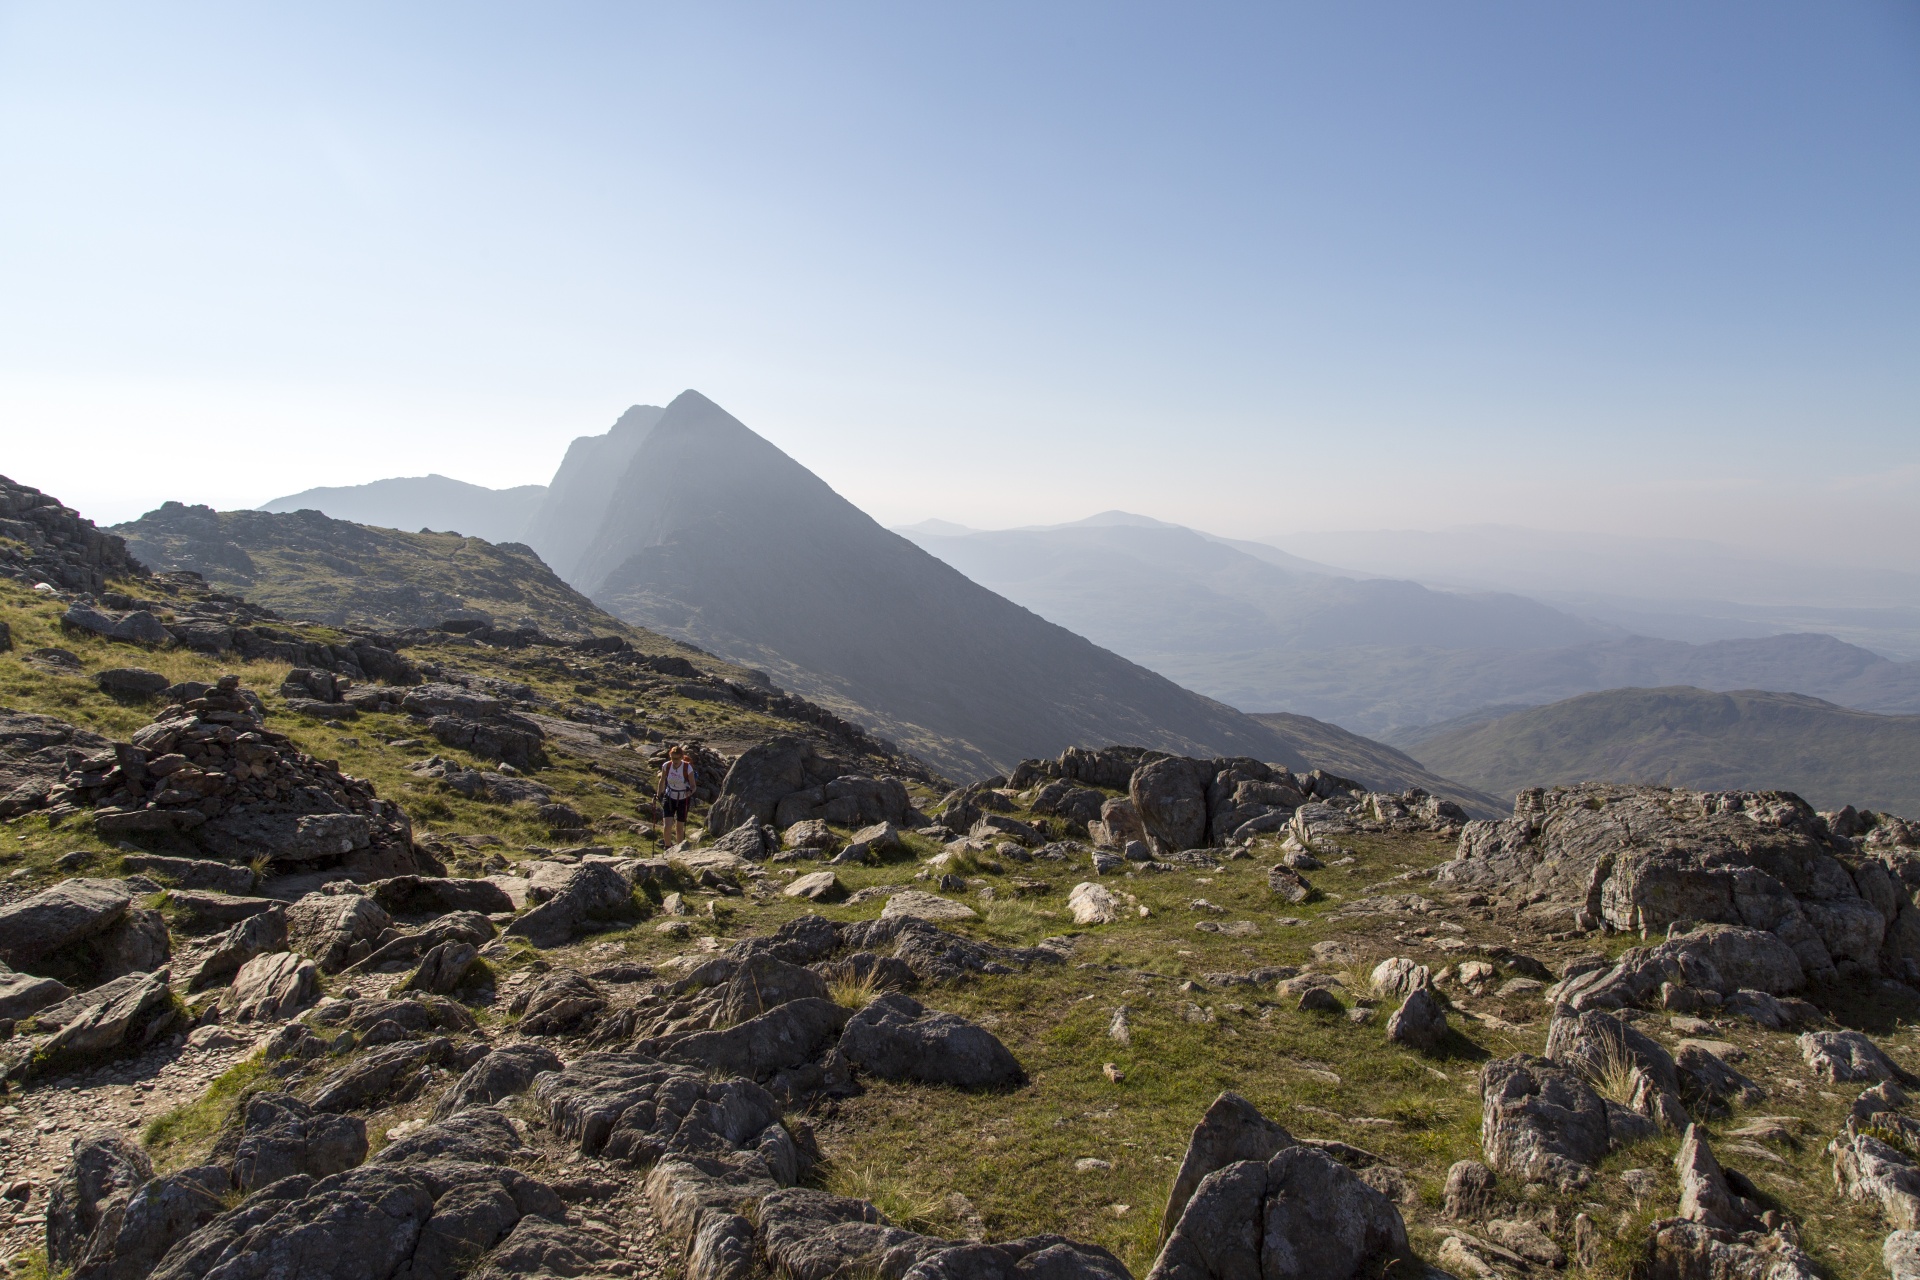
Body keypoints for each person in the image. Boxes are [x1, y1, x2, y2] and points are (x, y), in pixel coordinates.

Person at [658, 745, 697, 844]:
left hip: (683, 799)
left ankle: (678, 850)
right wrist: (658, 795)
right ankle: (667, 848)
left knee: (679, 828)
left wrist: (690, 792)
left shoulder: (687, 767)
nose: (674, 760)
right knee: (667, 826)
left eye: (677, 758)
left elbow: (693, 786)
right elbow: (662, 781)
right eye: (672, 758)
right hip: (669, 797)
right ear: (670, 756)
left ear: (681, 757)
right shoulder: (666, 766)